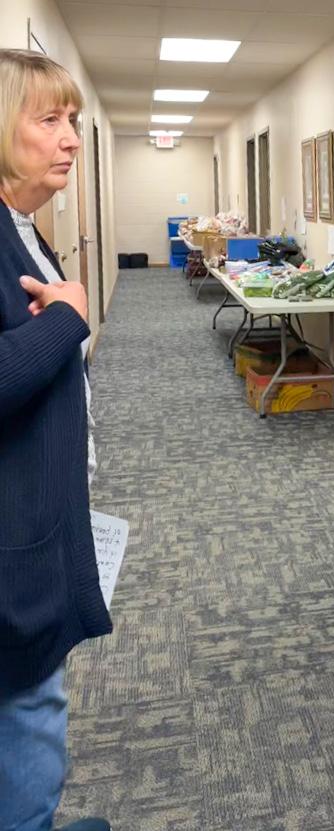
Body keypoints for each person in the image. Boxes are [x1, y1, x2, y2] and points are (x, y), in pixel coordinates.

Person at [0, 49, 113, 831]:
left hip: (38, 519)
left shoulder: (23, 228)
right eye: (49, 119)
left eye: (71, 119)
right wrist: (70, 316)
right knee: (30, 716)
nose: (71, 138)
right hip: (13, 555)